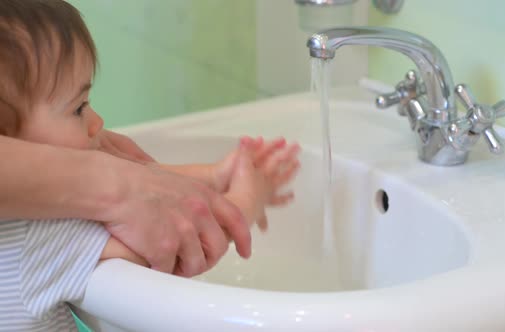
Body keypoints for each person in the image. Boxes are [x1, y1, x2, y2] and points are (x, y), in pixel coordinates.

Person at [0, 0, 300, 331]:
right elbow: (175, 247)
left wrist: (213, 175)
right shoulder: (41, 234)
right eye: (78, 108)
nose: (97, 122)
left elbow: (142, 190)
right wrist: (248, 198)